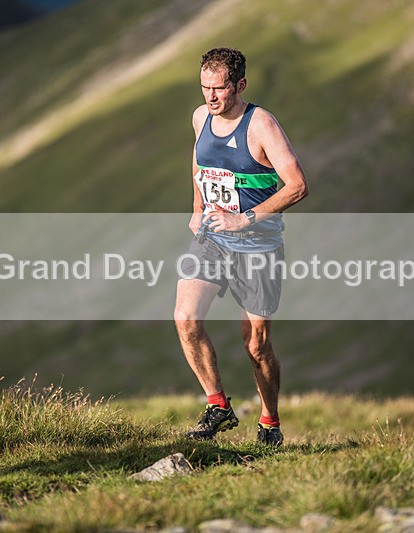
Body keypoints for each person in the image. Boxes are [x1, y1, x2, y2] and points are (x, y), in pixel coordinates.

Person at [174, 48, 309, 446]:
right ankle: (218, 405)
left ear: (240, 85)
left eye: (219, 89)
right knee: (185, 318)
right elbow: (200, 163)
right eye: (204, 88)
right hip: (213, 238)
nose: (210, 97)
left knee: (256, 344)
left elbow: (298, 186)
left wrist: (244, 218)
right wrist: (198, 208)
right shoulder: (201, 117)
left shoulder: (262, 125)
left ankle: (269, 422)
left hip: (257, 246)